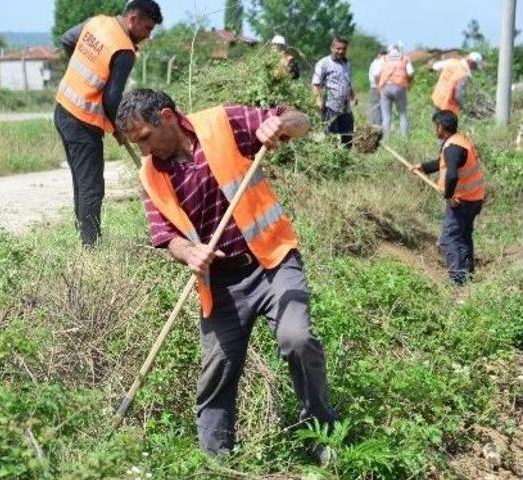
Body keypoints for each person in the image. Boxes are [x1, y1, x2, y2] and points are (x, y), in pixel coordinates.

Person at [116, 88, 338, 462]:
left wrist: (279, 124)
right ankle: (215, 461)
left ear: (167, 117)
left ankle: (322, 433)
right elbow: (166, 236)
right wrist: (190, 252)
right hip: (219, 282)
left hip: (271, 261)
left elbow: (301, 120)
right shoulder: (150, 175)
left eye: (144, 138)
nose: (143, 150)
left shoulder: (222, 123)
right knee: (217, 368)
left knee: (297, 338)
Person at [54, 0, 163, 246]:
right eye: (147, 28)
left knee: (81, 182)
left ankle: (83, 237)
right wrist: (120, 128)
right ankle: (90, 247)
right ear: (133, 18)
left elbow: (66, 40)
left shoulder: (96, 23)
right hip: (83, 122)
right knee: (92, 187)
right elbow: (112, 98)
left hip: (62, 109)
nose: (148, 36)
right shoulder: (123, 50)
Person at [409, 110, 484, 285]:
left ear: (442, 127)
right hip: (474, 198)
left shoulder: (452, 148)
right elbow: (444, 163)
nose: (435, 129)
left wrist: (449, 196)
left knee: (449, 239)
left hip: (461, 200)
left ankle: (457, 280)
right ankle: (467, 273)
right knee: (464, 236)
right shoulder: (459, 140)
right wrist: (423, 167)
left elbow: (451, 175)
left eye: (436, 126)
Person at [313, 36, 355, 149]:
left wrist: (353, 97)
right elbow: (316, 84)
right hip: (330, 107)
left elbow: (349, 83)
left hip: (345, 108)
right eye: (338, 48)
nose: (341, 51)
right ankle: (332, 162)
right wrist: (319, 100)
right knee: (331, 139)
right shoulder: (324, 63)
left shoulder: (347, 64)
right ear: (332, 48)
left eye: (344, 49)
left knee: (348, 138)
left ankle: (346, 162)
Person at [376, 44, 414, 138]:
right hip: (400, 86)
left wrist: (378, 84)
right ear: (399, 50)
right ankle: (405, 138)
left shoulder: (383, 59)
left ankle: (386, 138)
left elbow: (376, 73)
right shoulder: (404, 58)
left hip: (385, 87)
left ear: (389, 51)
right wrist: (408, 81)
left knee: (386, 115)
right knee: (402, 114)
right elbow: (411, 72)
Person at [367, 48, 387, 127]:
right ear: (380, 55)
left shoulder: (374, 63)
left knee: (377, 107)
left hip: (375, 87)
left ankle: (377, 125)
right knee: (378, 107)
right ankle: (378, 126)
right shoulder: (379, 63)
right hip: (377, 87)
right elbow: (375, 76)